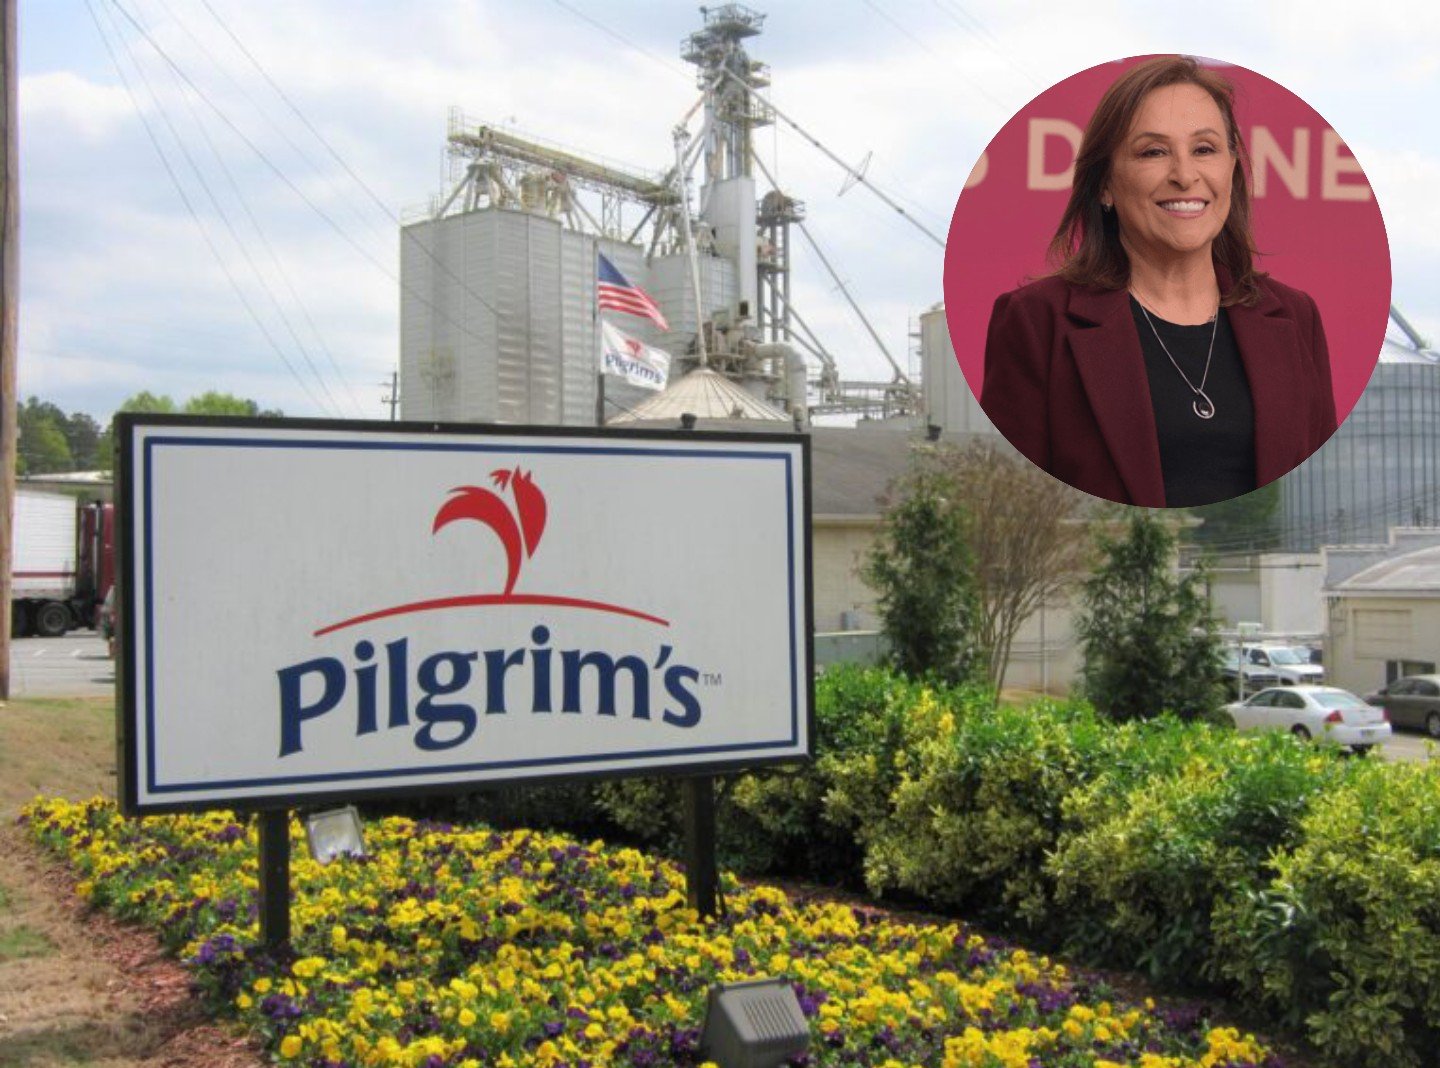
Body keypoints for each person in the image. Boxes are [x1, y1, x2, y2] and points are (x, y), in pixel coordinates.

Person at [980, 56, 1337, 508]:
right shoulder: (1035, 322)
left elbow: (1315, 496)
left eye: (1204, 149)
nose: (1184, 176)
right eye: (1153, 152)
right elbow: (1013, 504)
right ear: (1105, 184)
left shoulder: (1295, 317)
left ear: (1232, 170)